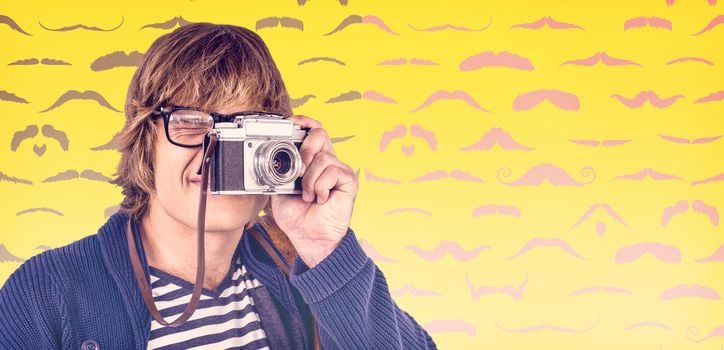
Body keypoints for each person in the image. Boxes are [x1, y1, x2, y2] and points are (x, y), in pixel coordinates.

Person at [0, 23, 437, 349]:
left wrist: (325, 252)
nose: (215, 153)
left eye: (247, 129)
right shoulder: (45, 294)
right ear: (144, 139)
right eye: (191, 123)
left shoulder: (303, 280)